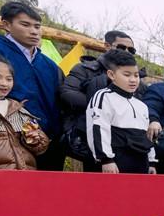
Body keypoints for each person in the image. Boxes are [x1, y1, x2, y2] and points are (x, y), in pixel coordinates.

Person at [0, 2, 65, 170]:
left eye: (37, 26)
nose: (34, 31)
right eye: (25, 25)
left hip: (49, 140)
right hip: (11, 140)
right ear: (6, 24)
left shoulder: (49, 64)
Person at [60, 30, 145, 169]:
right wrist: (104, 106)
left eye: (131, 49)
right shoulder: (85, 68)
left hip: (129, 145)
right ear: (107, 45)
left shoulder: (136, 79)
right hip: (91, 140)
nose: (127, 51)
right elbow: (67, 93)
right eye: (121, 47)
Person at [85, 49, 156, 174]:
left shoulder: (141, 105)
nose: (133, 80)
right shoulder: (103, 96)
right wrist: (106, 160)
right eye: (127, 75)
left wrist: (151, 162)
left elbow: (146, 137)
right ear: (111, 75)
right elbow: (98, 127)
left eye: (136, 75)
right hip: (114, 164)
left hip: (141, 164)